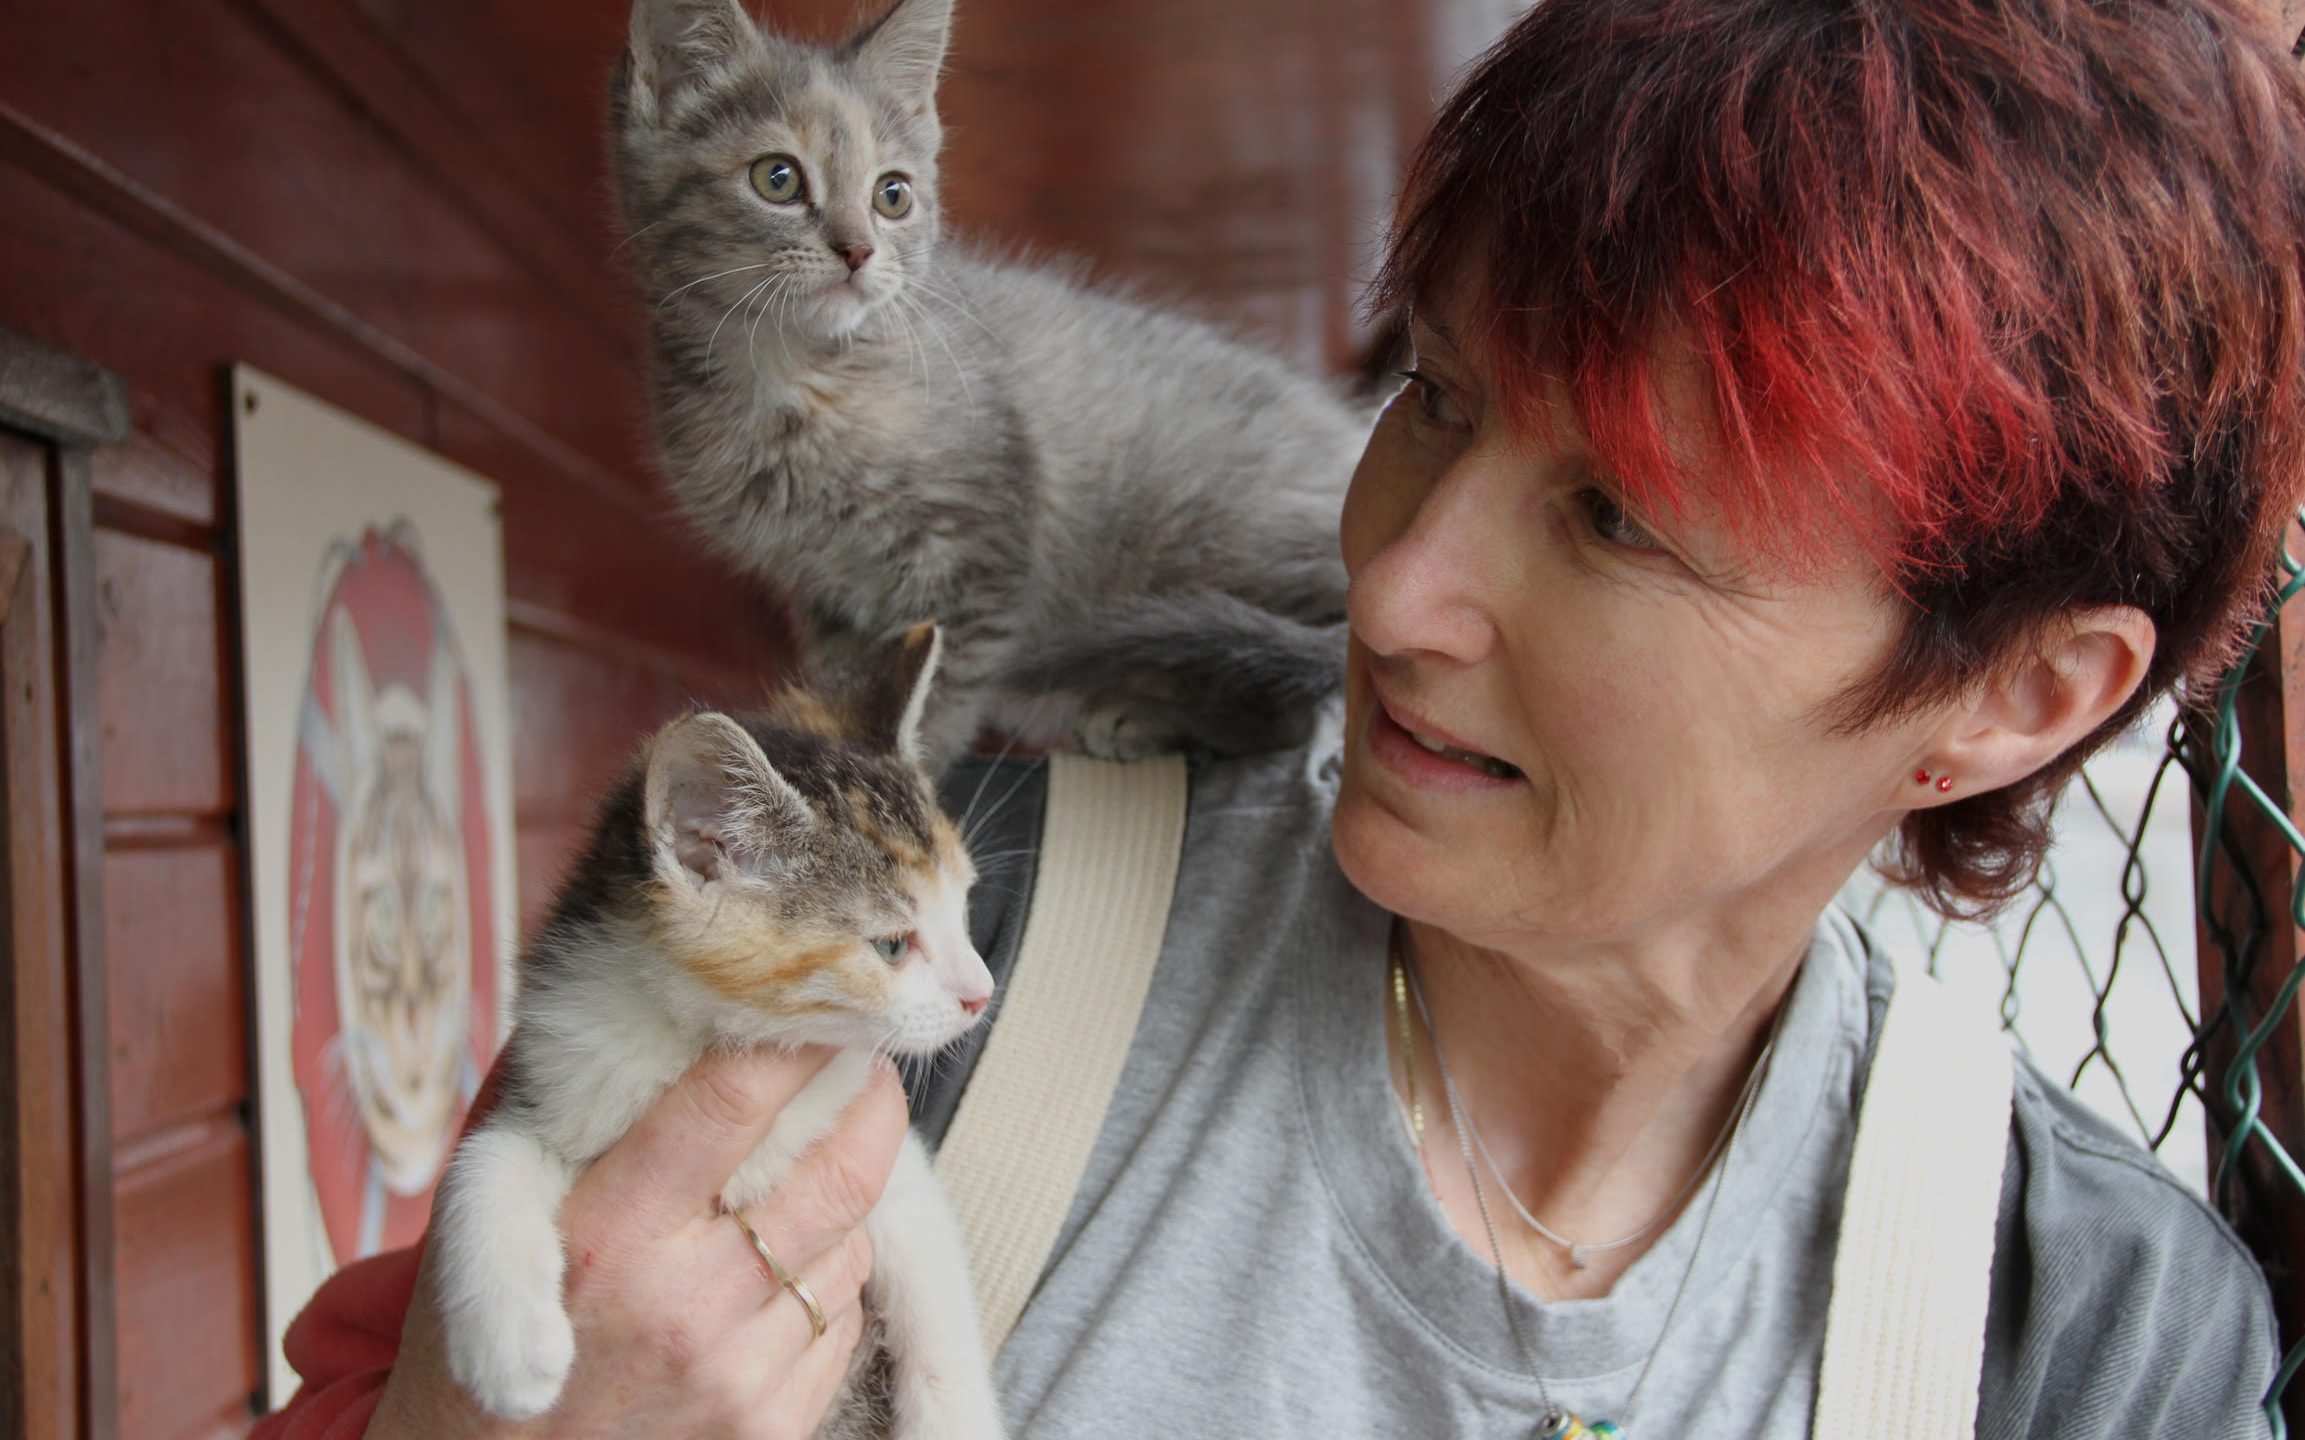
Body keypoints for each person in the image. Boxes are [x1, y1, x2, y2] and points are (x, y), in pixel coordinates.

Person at [257, 0, 2305, 1433]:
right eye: (1428, 397)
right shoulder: (948, 924)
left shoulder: (2088, 1346)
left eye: (1611, 517)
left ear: (2013, 697)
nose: (1392, 586)